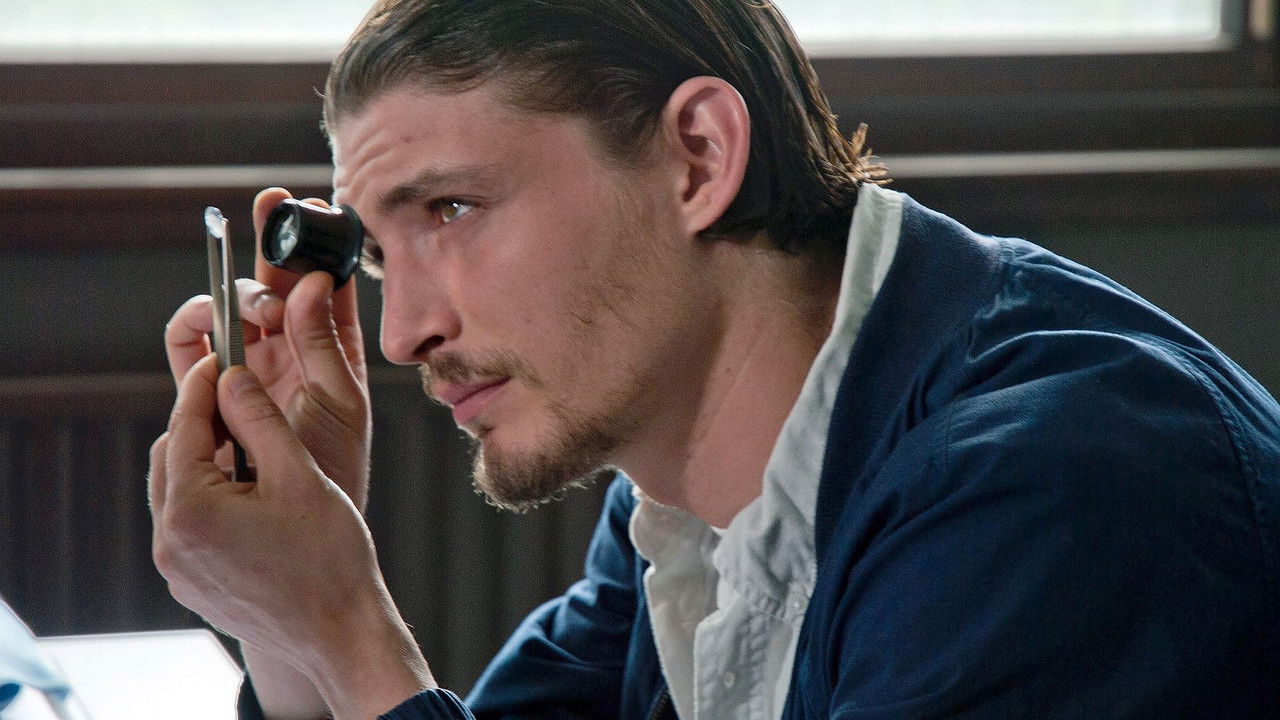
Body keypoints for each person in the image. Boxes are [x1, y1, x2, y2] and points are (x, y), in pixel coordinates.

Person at [148, 1, 1280, 718]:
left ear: (696, 156)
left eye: (450, 208)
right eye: (378, 257)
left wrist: (347, 629)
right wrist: (288, 634)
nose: (402, 337)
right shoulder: (681, 484)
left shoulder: (1049, 493)